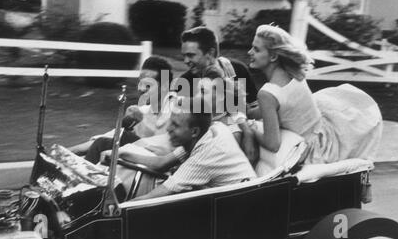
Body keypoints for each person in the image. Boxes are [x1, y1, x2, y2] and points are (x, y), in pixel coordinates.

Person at [247, 24, 383, 167]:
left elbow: (272, 144)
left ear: (273, 56)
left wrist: (250, 129)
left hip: (310, 152)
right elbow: (257, 110)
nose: (249, 52)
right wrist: (242, 111)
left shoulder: (264, 91)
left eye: (256, 49)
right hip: (325, 136)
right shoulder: (294, 72)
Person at [118, 96, 257, 201]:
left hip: (240, 206)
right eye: (170, 122)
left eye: (175, 125)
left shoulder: (204, 157)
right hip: (235, 198)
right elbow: (161, 163)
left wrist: (118, 208)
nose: (168, 128)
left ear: (194, 132)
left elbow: (152, 197)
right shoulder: (209, 131)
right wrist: (119, 154)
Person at [176, 26, 260, 164]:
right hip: (203, 144)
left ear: (210, 53)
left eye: (190, 55)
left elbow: (248, 110)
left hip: (234, 135)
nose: (185, 61)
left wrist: (248, 131)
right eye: (183, 55)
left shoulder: (237, 70)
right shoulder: (185, 81)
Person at [68, 56, 176, 163]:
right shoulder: (143, 110)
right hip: (134, 158)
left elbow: (168, 147)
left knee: (104, 144)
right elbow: (116, 134)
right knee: (100, 146)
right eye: (140, 83)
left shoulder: (177, 110)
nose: (141, 89)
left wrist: (128, 140)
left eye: (148, 85)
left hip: (160, 164)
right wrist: (76, 149)